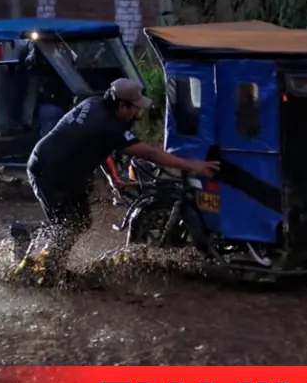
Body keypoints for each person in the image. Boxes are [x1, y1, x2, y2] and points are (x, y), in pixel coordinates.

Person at [12, 77, 220, 283]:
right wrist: (194, 166)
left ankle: (45, 257)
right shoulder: (110, 126)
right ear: (121, 104)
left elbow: (91, 142)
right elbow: (150, 153)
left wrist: (112, 178)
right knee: (67, 225)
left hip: (66, 168)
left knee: (81, 221)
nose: (137, 113)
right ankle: (43, 267)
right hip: (49, 170)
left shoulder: (92, 103)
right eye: (134, 108)